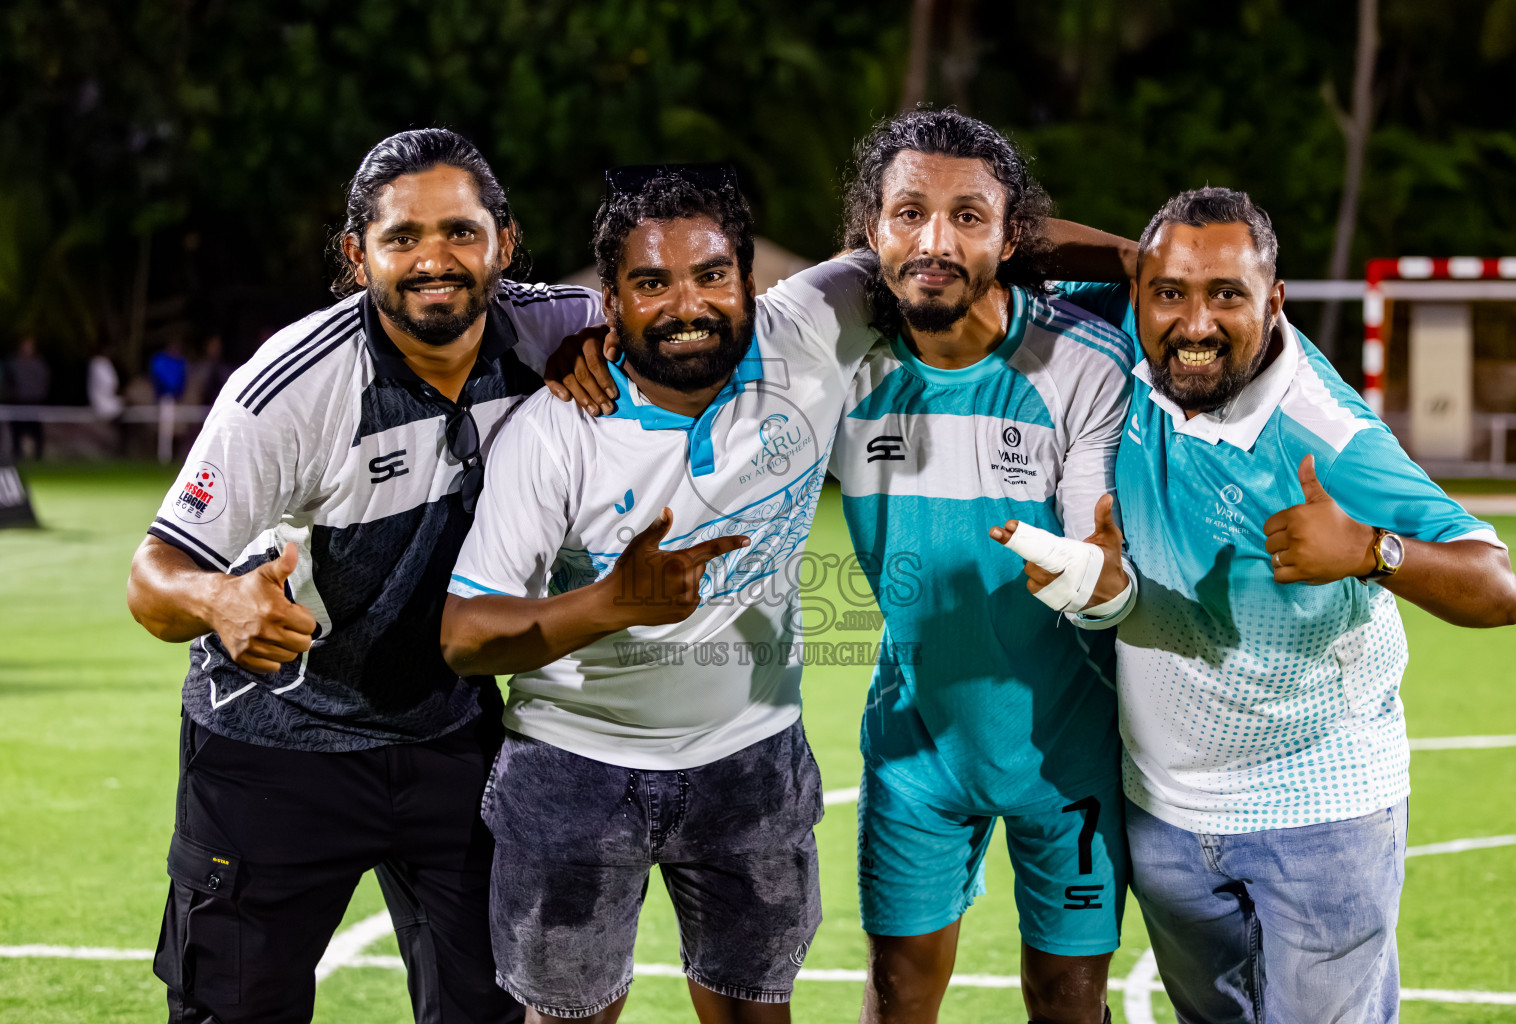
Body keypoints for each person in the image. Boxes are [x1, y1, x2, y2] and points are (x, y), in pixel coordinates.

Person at [125, 128, 609, 1024]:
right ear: (357, 256)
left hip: (448, 733)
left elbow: (690, 320)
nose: (435, 259)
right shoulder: (289, 389)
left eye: (461, 231)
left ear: (505, 241)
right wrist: (218, 599)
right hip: (276, 742)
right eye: (402, 237)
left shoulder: (563, 326)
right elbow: (151, 578)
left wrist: (605, 344)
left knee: (491, 1008)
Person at [1058, 187, 1516, 1023]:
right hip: (1163, 810)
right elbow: (1009, 243)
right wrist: (1133, 258)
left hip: (1322, 815)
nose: (1195, 324)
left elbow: (1499, 588)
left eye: (1226, 295)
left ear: (1274, 301)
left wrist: (1372, 551)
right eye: (1171, 292)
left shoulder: (1327, 433)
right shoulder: (1132, 331)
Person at [440, 164, 878, 1023]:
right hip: (575, 763)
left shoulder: (810, 330)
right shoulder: (556, 431)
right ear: (609, 302)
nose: (687, 305)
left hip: (751, 757)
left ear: (749, 280)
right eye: (651, 283)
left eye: (711, 275)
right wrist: (610, 604)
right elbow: (465, 635)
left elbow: (956, 237)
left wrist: (1138, 260)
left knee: (756, 1014)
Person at [827, 109, 1135, 1024]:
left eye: (968, 216)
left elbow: (1097, 565)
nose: (935, 241)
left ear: (1013, 238)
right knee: (897, 995)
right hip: (916, 747)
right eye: (909, 213)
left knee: (1069, 1000)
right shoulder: (835, 362)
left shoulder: (1083, 361)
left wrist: (1094, 581)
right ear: (872, 230)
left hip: (1068, 749)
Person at [5, 336, 50, 459]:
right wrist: (12, 396)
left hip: (35, 401)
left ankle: (38, 455)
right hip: (18, 402)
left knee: (36, 430)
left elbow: (44, 381)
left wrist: (40, 395)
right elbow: (9, 383)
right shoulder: (13, 363)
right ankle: (17, 453)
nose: (27, 349)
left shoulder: (38, 364)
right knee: (16, 430)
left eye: (30, 346)